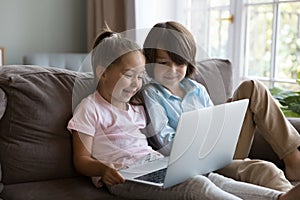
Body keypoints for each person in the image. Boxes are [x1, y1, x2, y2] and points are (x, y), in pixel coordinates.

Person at [67, 27, 300, 200]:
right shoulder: (92, 108)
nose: (136, 83)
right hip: (127, 176)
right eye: (129, 75)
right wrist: (103, 169)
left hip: (160, 165)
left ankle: (280, 196)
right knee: (198, 185)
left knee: (214, 179)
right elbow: (81, 160)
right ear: (102, 73)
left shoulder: (136, 106)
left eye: (139, 76)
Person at [142, 21, 300, 193]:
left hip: (220, 148)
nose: (172, 70)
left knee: (252, 87)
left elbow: (214, 120)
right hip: (198, 162)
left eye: (179, 63)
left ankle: (293, 158)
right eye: (163, 63)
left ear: (188, 63)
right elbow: (164, 142)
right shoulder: (152, 93)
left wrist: (228, 117)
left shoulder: (196, 88)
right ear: (150, 62)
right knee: (267, 170)